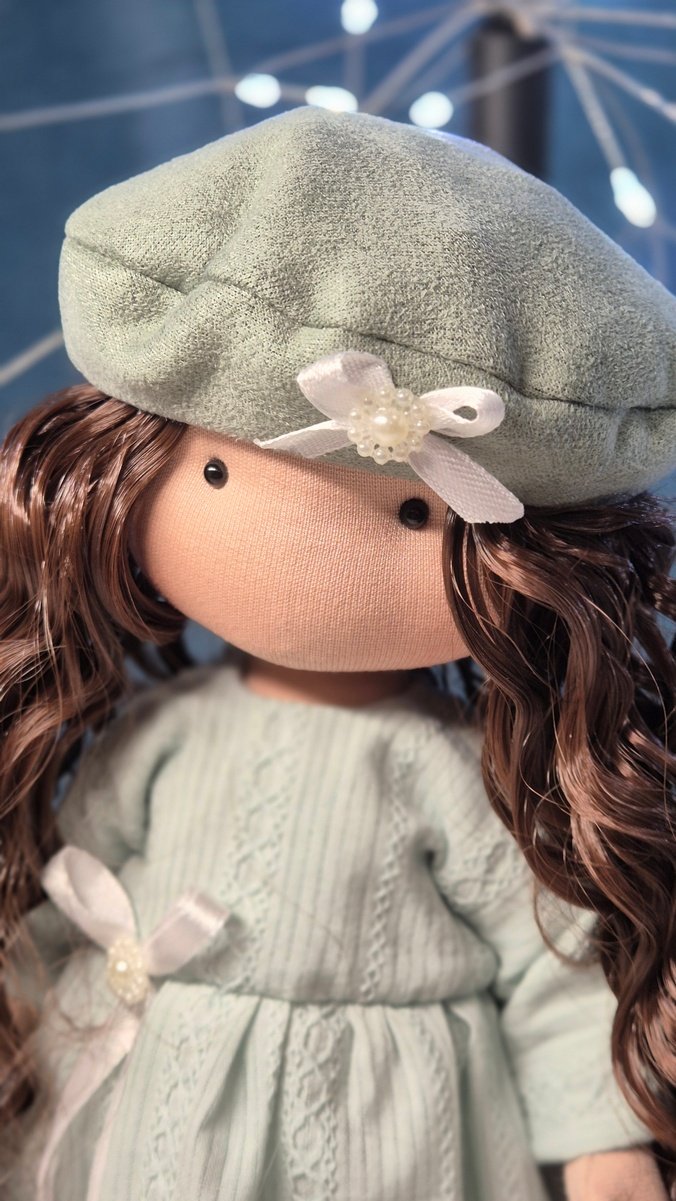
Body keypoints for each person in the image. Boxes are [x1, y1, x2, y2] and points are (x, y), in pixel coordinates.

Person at [1, 106, 674, 1201]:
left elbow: (549, 975)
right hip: (147, 1091)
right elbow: (67, 891)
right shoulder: (161, 731)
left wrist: (604, 1149)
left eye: (415, 513)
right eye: (216, 474)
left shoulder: (457, 773)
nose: (301, 559)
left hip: (390, 1134)